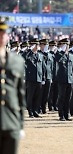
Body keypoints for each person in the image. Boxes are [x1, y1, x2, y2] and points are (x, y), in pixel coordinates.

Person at [0, 16, 26, 154]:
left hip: (11, 123)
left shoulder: (17, 61)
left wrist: (20, 125)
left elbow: (20, 95)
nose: (1, 36)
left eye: (3, 32)